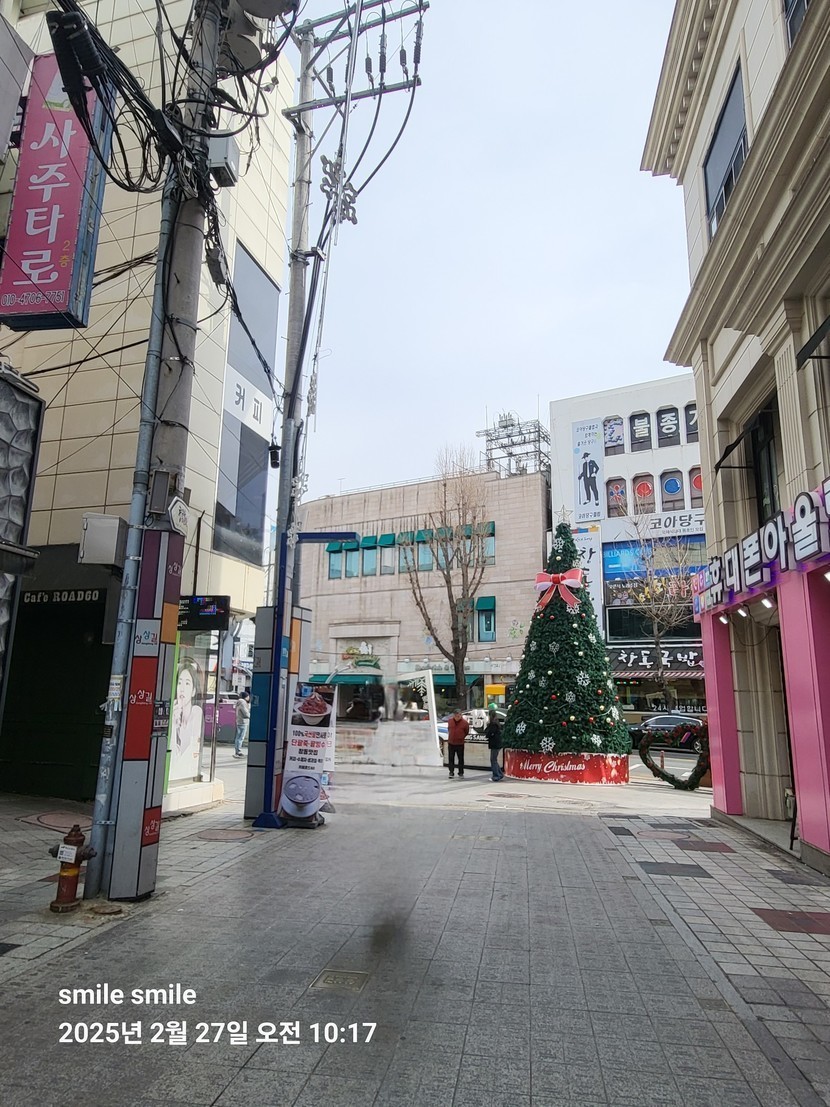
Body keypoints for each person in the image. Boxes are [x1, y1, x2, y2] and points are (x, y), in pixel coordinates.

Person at [171, 660, 204, 780]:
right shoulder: (174, 711)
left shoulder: (196, 712)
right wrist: (173, 725)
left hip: (187, 770)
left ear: (193, 691)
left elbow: (187, 750)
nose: (182, 689)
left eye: (187, 683)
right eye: (179, 683)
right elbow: (172, 757)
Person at [447, 707, 469, 778]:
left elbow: (466, 732)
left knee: (460, 759)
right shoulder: (450, 721)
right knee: (451, 758)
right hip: (451, 742)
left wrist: (461, 737)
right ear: (454, 715)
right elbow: (449, 729)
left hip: (460, 743)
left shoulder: (465, 723)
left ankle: (461, 772)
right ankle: (451, 772)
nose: (457, 717)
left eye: (459, 716)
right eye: (456, 716)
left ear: (461, 715)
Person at [485, 704, 504, 782]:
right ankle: (500, 774)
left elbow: (489, 733)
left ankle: (496, 776)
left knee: (493, 760)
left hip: (494, 744)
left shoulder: (493, 724)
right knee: (494, 759)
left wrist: (487, 734)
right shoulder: (496, 723)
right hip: (497, 744)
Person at [234, 690, 250, 758]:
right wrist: (250, 716)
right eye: (248, 696)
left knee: (238, 737)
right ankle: (238, 751)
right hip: (243, 722)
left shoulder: (239, 702)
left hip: (239, 721)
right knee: (241, 737)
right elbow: (245, 713)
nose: (249, 698)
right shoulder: (243, 703)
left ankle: (237, 751)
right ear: (246, 697)